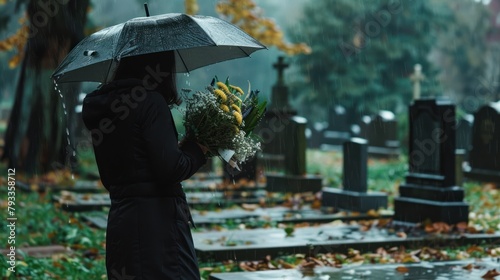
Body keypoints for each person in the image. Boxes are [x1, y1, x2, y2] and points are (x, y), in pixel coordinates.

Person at [82, 51, 208, 279]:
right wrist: (199, 149)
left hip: (122, 220)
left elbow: (132, 157)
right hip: (158, 227)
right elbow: (172, 169)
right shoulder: (150, 102)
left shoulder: (105, 105)